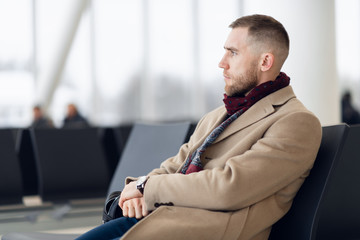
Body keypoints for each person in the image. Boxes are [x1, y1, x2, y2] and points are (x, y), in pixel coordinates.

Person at [76, 14, 322, 240]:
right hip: (158, 219)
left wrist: (147, 187)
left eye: (233, 53)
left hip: (205, 231)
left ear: (265, 61)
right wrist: (138, 191)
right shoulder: (219, 115)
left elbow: (230, 187)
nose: (222, 63)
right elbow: (175, 165)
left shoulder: (295, 121)